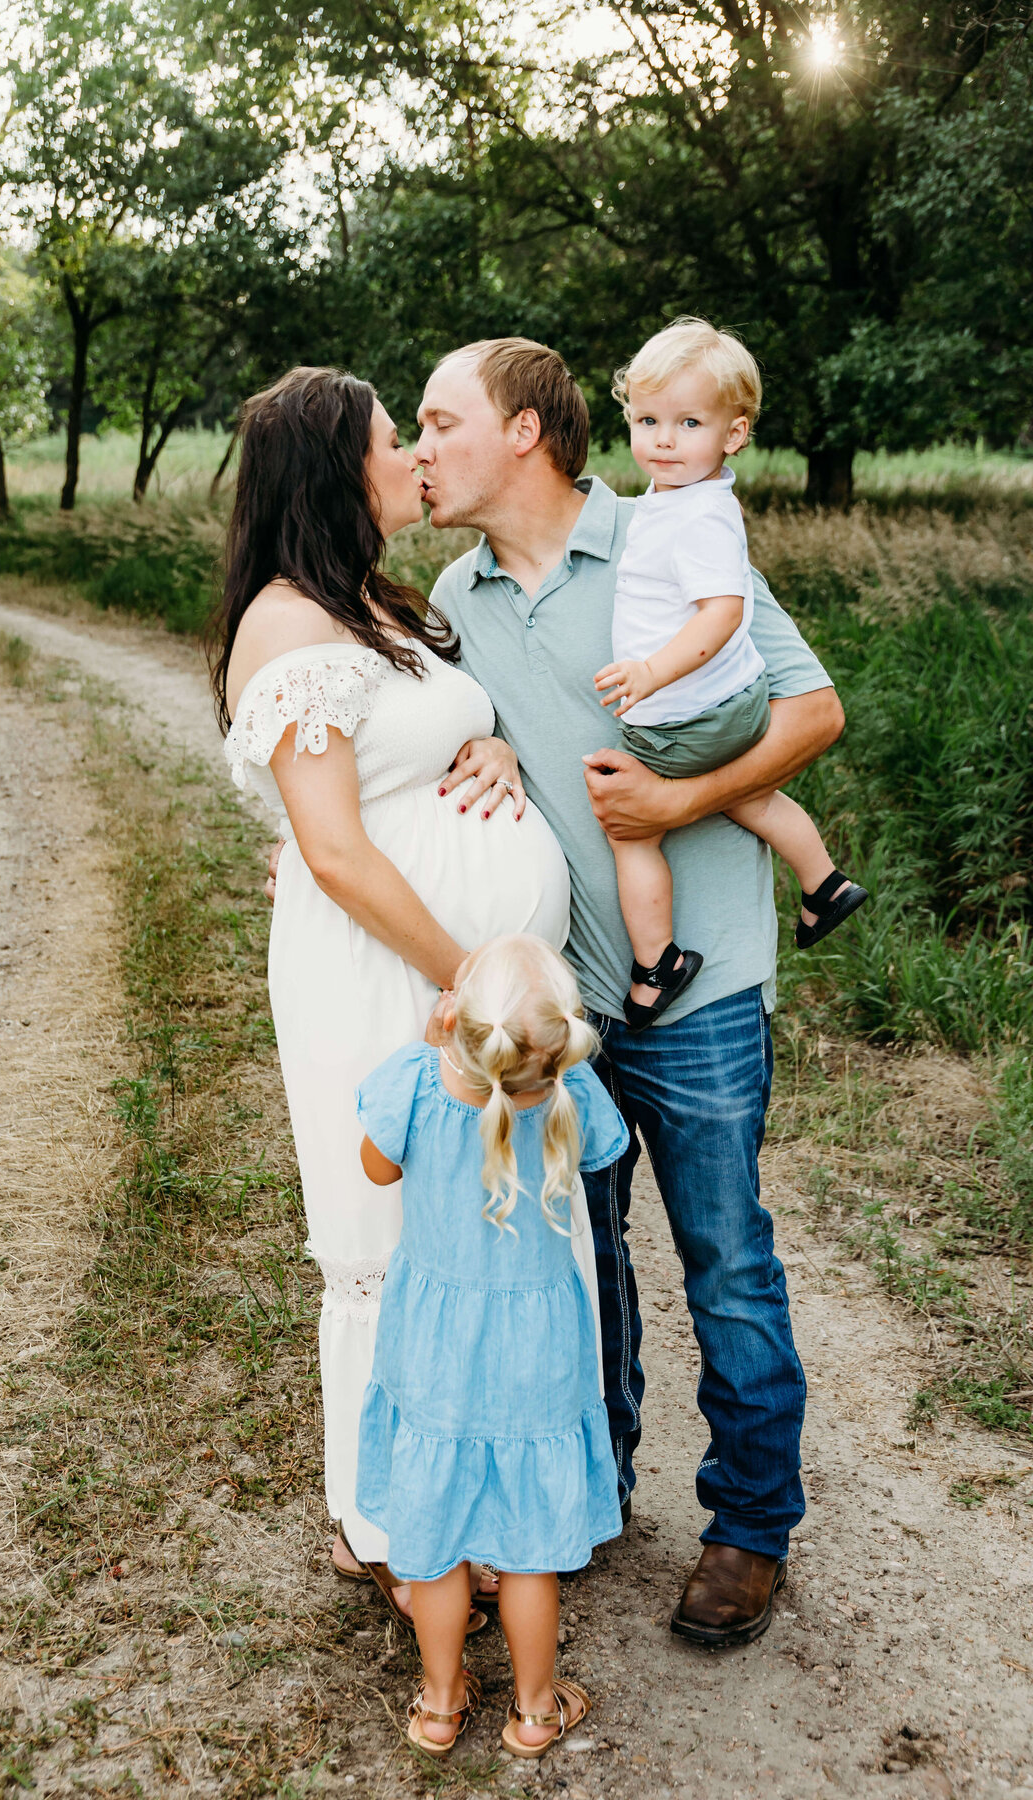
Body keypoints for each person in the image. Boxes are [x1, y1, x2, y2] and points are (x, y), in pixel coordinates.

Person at [418, 336, 845, 1647]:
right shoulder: (458, 592)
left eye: (443, 424)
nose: (424, 450)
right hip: (561, 1007)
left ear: (526, 434)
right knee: (575, 1265)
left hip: (701, 985)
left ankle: (750, 1525)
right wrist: (478, 731)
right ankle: (589, 1490)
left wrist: (679, 799)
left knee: (725, 1264)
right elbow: (440, 736)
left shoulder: (670, 536)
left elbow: (811, 712)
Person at [209, 365, 579, 1626]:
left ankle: (478, 1511)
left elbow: (418, 752)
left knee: (487, 1236)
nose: (416, 457)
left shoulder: (378, 604)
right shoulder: (286, 624)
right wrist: (466, 970)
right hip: (383, 976)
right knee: (391, 1243)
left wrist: (493, 744)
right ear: (332, 470)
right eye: (390, 440)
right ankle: (386, 1524)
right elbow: (334, 849)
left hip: (450, 986)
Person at [355, 935, 627, 1759]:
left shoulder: (412, 1085)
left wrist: (436, 1051)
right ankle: (535, 1712)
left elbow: (374, 1170)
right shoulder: (570, 1094)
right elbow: (606, 1154)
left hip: (434, 1345)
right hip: (535, 1349)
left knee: (434, 1545)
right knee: (530, 1547)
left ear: (456, 1018)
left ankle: (440, 1705)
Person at [596, 318, 867, 1029]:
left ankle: (658, 963)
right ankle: (824, 882)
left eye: (688, 422)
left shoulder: (702, 517)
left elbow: (723, 613)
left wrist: (652, 672)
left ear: (733, 435)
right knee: (747, 794)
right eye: (647, 420)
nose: (662, 439)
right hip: (721, 708)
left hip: (693, 714)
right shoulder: (676, 499)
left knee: (631, 831)